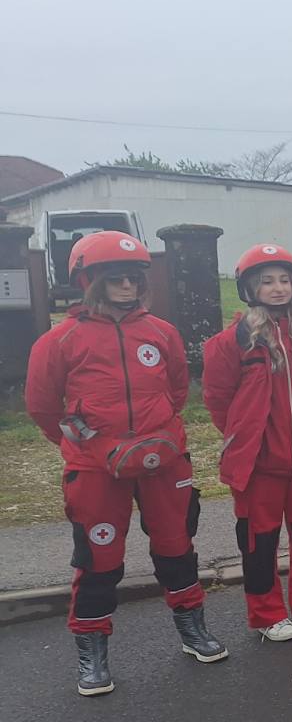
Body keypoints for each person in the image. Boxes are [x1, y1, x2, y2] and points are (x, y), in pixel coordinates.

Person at [26, 232, 225, 695]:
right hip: (96, 469)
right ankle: (92, 650)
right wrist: (88, 446)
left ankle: (192, 629)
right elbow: (43, 406)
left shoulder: (162, 332)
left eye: (134, 278)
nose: (127, 285)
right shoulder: (59, 341)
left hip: (163, 461)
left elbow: (176, 390)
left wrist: (153, 436)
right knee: (98, 559)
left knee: (176, 546)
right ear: (89, 280)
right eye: (115, 278)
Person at [203, 244, 292, 641]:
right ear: (250, 288)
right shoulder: (232, 342)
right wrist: (247, 440)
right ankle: (268, 614)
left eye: (284, 280)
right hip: (261, 466)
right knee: (260, 544)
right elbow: (218, 402)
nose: (278, 288)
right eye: (267, 281)